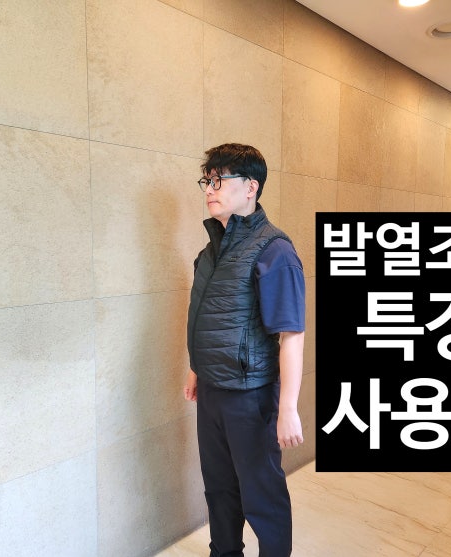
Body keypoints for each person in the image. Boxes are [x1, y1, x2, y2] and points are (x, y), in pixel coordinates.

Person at [184, 143, 306, 557]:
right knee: (219, 489)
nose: (209, 189)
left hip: (251, 396)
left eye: (219, 181)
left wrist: (287, 407)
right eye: (207, 181)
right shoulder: (210, 252)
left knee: (261, 494)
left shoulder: (274, 250)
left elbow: (291, 333)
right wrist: (196, 368)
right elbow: (209, 316)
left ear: (251, 187)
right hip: (213, 392)